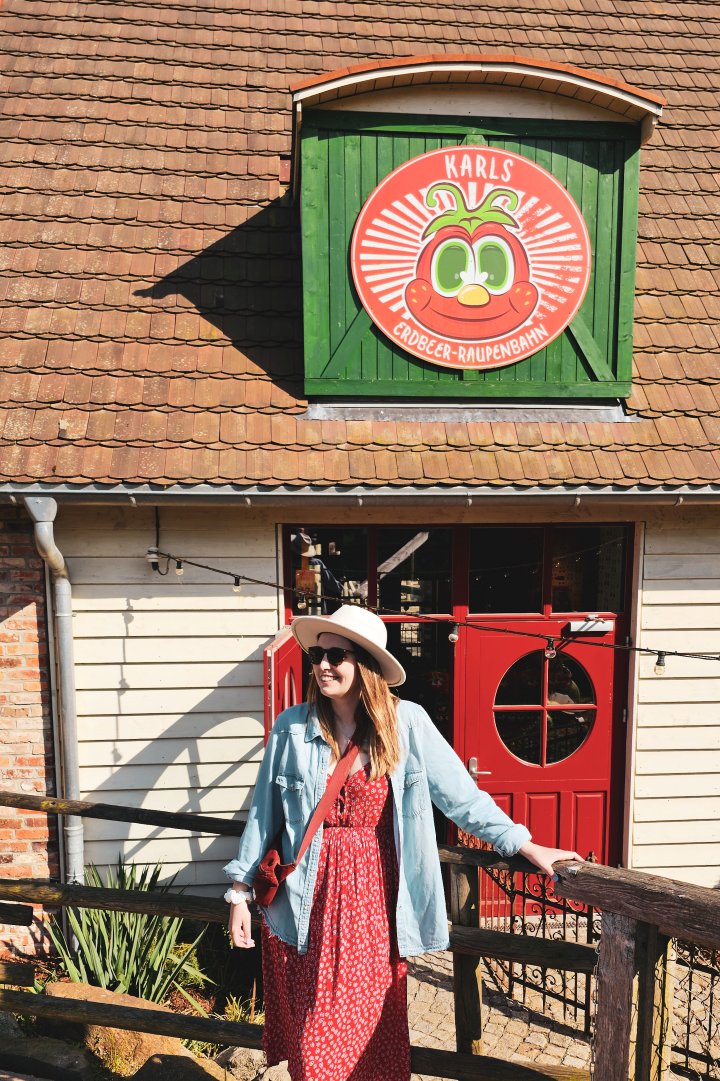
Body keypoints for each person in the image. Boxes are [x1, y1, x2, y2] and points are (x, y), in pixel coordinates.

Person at [223, 606, 582, 1081]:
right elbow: (263, 814)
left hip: (373, 906)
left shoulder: (405, 722)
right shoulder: (292, 727)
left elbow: (461, 797)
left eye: (336, 656)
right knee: (312, 1041)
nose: (323, 665)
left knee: (367, 1034)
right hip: (304, 902)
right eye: (317, 655)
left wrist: (525, 845)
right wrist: (240, 892)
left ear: (366, 664)